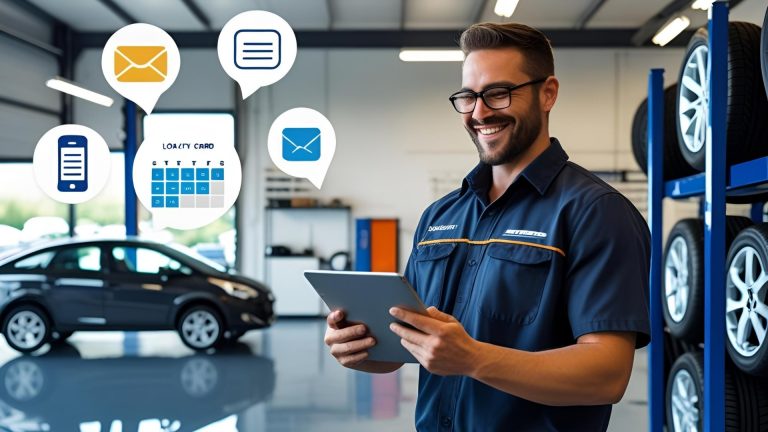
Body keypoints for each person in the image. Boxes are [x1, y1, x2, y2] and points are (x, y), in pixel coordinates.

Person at [324, 22, 650, 432]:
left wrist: (474, 358)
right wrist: (361, 347)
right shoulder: (440, 217)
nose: (479, 113)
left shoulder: (595, 211)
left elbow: (607, 374)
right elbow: (412, 344)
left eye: (498, 93)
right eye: (468, 97)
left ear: (547, 93)